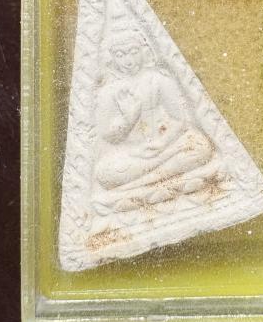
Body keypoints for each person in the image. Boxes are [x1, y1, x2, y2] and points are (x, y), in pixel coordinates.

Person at [93, 29, 218, 211]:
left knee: (200, 146)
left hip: (165, 146)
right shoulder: (108, 91)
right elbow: (108, 136)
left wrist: (162, 144)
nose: (128, 60)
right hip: (132, 154)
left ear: (144, 51)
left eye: (134, 51)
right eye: (120, 55)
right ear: (111, 58)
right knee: (104, 173)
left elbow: (180, 120)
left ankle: (136, 187)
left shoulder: (158, 80)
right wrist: (128, 119)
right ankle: (158, 183)